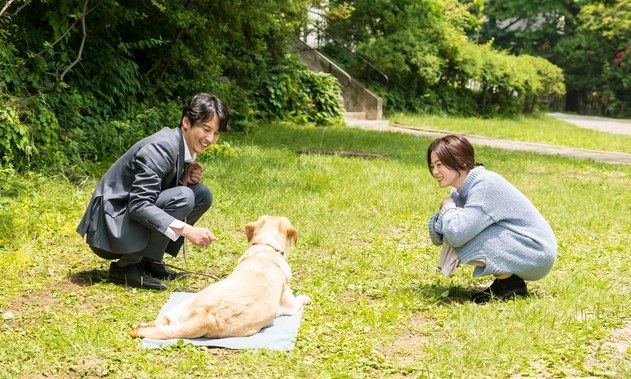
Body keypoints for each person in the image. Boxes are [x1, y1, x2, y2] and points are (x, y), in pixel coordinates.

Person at [77, 93, 230, 290]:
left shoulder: (181, 146)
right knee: (184, 196)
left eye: (216, 133)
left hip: (124, 218)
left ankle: (149, 261)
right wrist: (187, 230)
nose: (210, 139)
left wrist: (184, 176)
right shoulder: (161, 147)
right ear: (186, 122)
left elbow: (156, 191)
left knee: (201, 194)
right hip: (109, 228)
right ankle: (125, 267)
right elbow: (139, 204)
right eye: (206, 129)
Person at [426, 134, 556, 303]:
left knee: (462, 227)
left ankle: (510, 285)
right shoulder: (460, 191)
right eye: (432, 166)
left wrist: (448, 207)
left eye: (439, 165)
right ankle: (507, 283)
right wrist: (449, 212)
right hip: (526, 248)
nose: (435, 172)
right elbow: (438, 237)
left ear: (460, 161)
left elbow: (456, 234)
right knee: (461, 223)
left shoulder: (484, 185)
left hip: (536, 252)